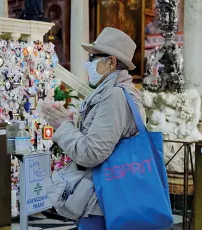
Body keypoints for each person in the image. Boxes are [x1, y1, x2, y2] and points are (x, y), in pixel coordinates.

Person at [41, 27, 146, 229]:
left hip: (103, 200)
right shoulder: (116, 92)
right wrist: (71, 120)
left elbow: (92, 153)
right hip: (111, 195)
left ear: (112, 61)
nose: (88, 63)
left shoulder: (115, 95)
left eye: (93, 57)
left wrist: (63, 127)